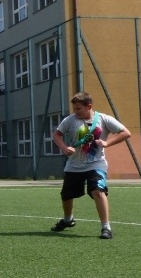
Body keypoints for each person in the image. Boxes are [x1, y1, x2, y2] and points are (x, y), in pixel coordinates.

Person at [50, 91, 131, 240]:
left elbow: (125, 133)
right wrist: (64, 148)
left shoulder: (104, 119)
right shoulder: (70, 120)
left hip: (96, 164)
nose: (76, 112)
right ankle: (68, 219)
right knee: (66, 195)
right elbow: (56, 135)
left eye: (79, 108)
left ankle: (106, 227)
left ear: (89, 106)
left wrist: (107, 143)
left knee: (98, 191)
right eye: (74, 109)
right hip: (74, 165)